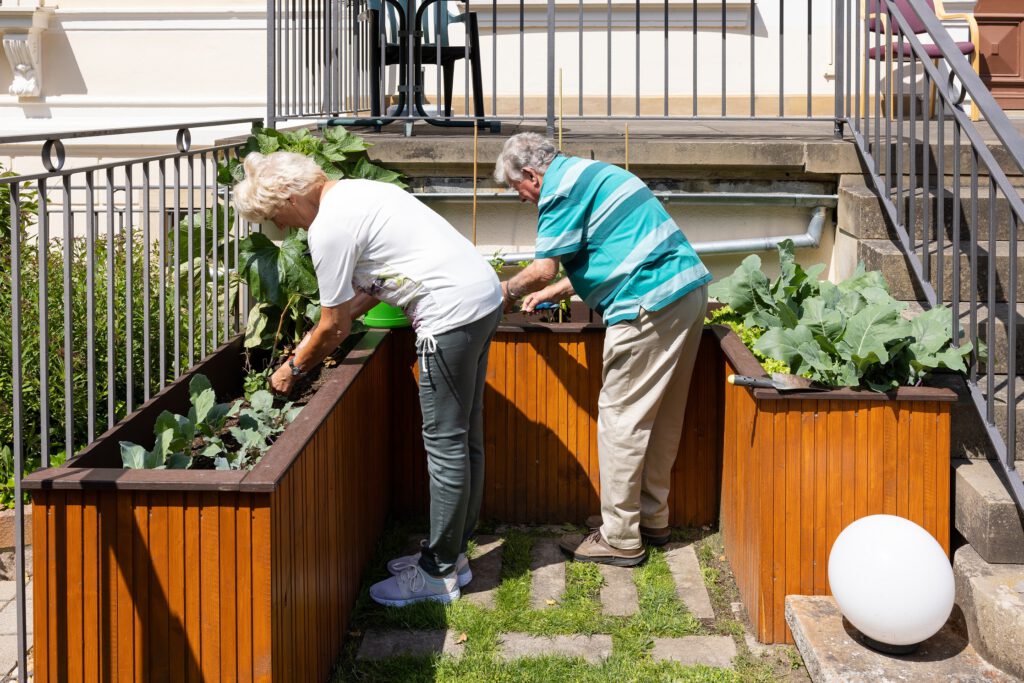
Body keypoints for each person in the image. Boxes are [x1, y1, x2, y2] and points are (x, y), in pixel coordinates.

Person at [234, 151, 503, 606]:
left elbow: (334, 326)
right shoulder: (361, 193)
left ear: (291, 196)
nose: (281, 228)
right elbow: (364, 294)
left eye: (275, 215)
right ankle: (452, 555)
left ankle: (438, 575)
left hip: (450, 317)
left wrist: (294, 367)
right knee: (463, 438)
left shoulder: (329, 228)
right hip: (480, 298)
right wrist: (315, 338)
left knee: (444, 445)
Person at [494, 133, 711, 567]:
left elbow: (540, 268)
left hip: (645, 303)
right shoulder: (594, 173)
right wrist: (558, 292)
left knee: (621, 419)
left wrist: (500, 291)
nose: (521, 200)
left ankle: (619, 537)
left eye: (517, 190)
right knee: (662, 416)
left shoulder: (557, 191)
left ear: (532, 175)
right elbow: (612, 251)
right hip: (685, 292)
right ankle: (650, 519)